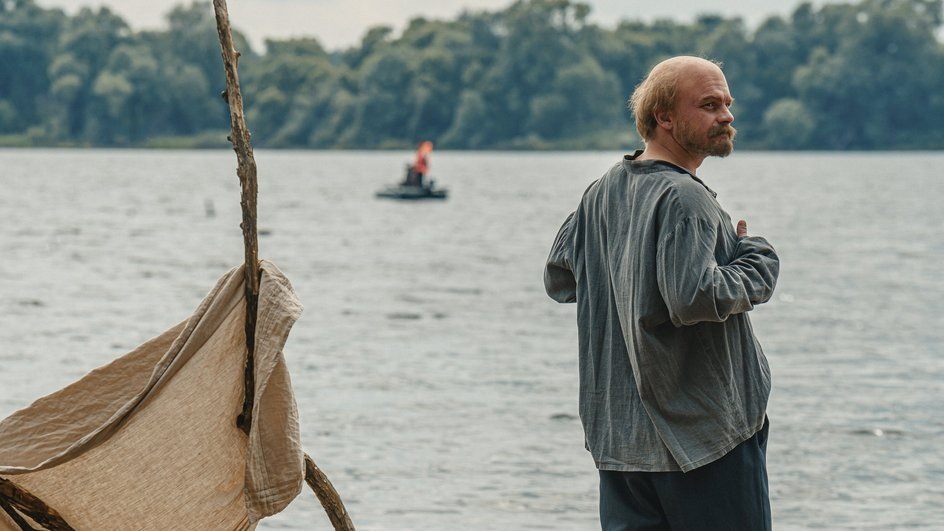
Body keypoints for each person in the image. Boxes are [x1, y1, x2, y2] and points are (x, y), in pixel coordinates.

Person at [544, 56, 780, 530]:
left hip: (622, 442)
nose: (727, 116)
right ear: (664, 118)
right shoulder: (685, 197)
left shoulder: (601, 191)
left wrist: (625, 270)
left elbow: (560, 278)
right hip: (702, 439)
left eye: (727, 104)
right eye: (710, 105)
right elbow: (692, 296)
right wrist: (756, 261)